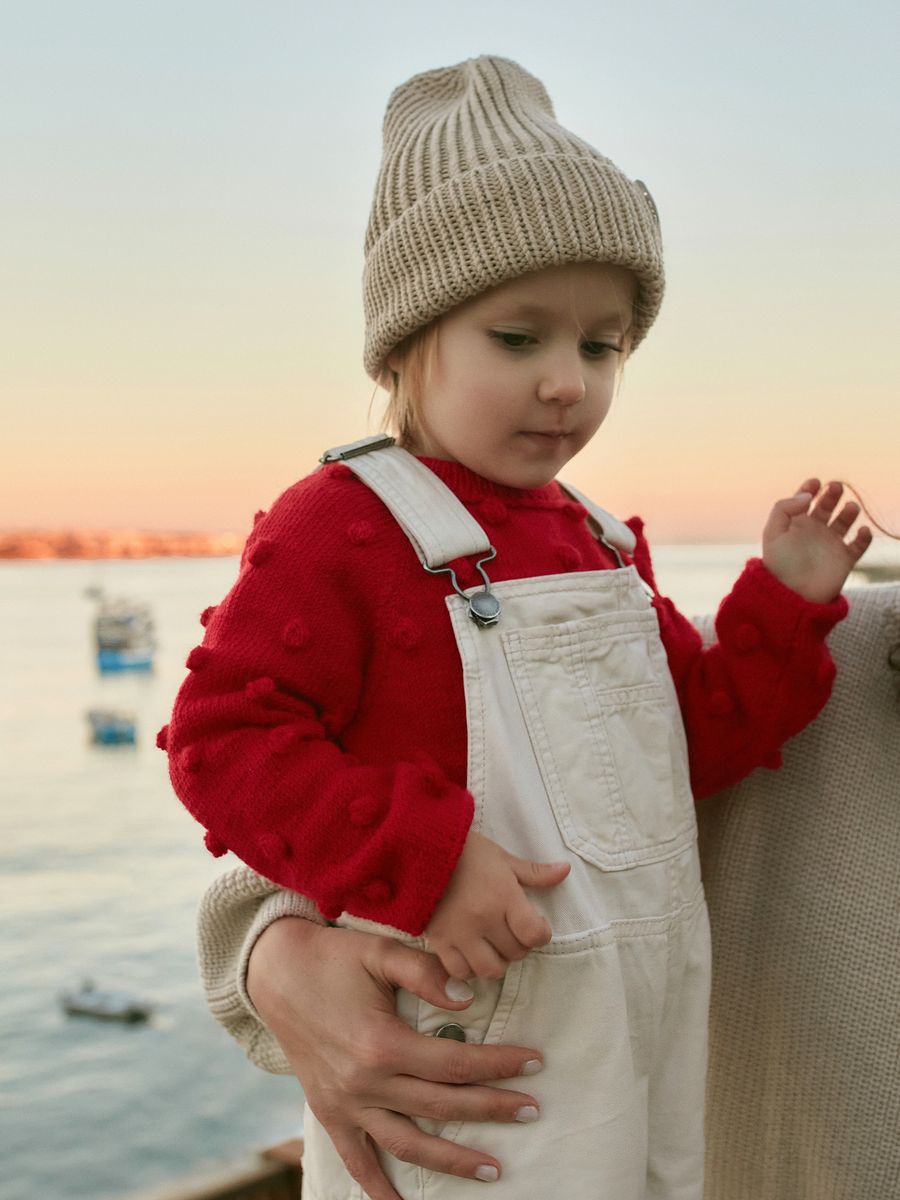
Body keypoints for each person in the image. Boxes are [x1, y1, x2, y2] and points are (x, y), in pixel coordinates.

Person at [163, 56, 871, 1199]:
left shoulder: (598, 537)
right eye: (519, 338)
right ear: (407, 340)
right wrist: (424, 862)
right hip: (465, 1050)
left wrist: (786, 602)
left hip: (641, 1031)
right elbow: (221, 740)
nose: (566, 385)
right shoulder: (341, 527)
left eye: (602, 348)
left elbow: (691, 744)